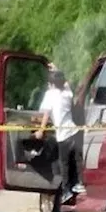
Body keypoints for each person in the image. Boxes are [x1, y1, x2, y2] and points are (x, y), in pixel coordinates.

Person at [35, 70, 83, 202]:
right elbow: (65, 84)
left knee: (64, 163)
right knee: (76, 160)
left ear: (51, 84)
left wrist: (41, 130)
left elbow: (46, 114)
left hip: (63, 135)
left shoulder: (50, 95)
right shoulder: (68, 93)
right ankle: (78, 184)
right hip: (74, 131)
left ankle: (67, 191)